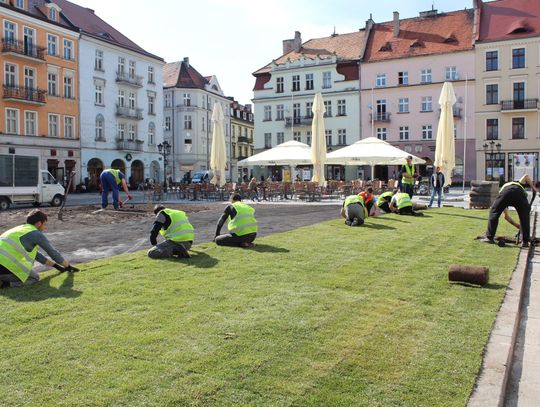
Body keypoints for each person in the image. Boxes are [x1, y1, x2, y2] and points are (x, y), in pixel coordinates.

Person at [0, 210, 73, 288]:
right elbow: (52, 252)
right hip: (4, 268)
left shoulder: (20, 229)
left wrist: (57, 266)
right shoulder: (35, 233)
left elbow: (37, 255)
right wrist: (68, 266)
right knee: (34, 277)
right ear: (39, 223)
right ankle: (5, 284)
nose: (44, 228)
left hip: (3, 266)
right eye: (44, 224)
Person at [480, 174, 537, 247]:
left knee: (494, 212)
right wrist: (533, 187)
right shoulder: (519, 184)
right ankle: (525, 242)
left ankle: (489, 237)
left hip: (506, 193)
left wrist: (518, 226)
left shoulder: (505, 187)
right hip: (520, 195)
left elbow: (506, 216)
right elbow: (526, 176)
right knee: (524, 217)